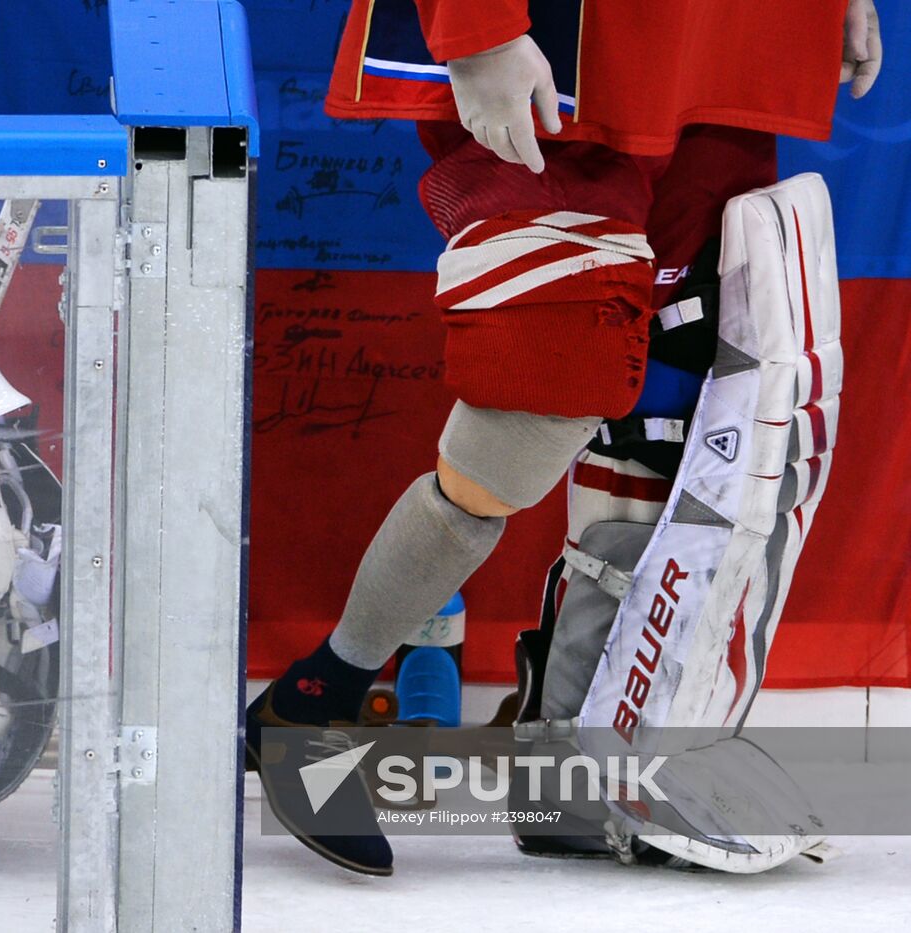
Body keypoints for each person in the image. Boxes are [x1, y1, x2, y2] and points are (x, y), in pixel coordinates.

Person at [246, 0, 883, 877]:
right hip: (566, 37)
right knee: (536, 405)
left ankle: (578, 765)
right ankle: (317, 696)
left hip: (734, 35)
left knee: (675, 387)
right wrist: (476, 24)